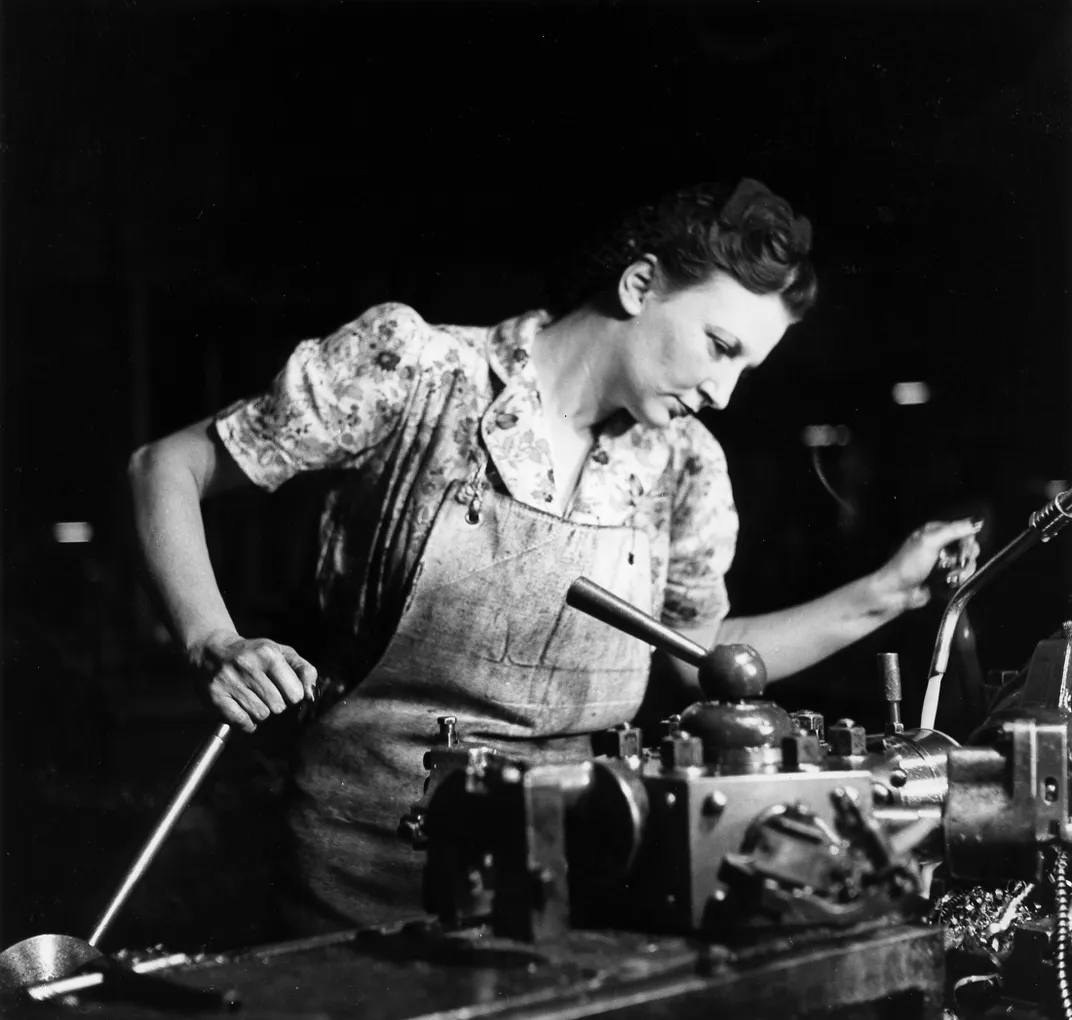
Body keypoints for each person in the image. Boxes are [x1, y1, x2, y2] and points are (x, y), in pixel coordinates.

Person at [128, 178, 981, 933]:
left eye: (746, 369)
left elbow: (701, 658)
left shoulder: (683, 465)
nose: (723, 393)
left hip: (582, 881)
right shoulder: (418, 371)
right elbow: (167, 465)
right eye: (721, 347)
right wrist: (215, 639)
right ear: (640, 283)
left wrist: (882, 596)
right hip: (361, 880)